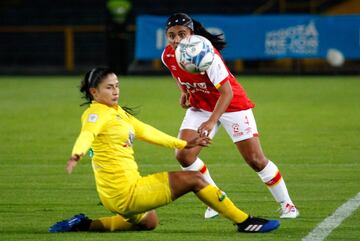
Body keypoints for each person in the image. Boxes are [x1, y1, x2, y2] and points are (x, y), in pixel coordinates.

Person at [48, 67, 280, 233]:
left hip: (116, 195)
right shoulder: (96, 113)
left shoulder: (117, 113)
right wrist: (77, 154)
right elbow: (87, 134)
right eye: (109, 87)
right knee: (195, 179)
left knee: (149, 222)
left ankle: (83, 224)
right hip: (127, 193)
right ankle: (245, 222)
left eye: (117, 86)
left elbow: (148, 132)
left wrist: (184, 144)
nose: (116, 91)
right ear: (93, 92)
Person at [161, 13, 299, 219]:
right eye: (171, 35)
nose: (176, 40)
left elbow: (227, 93)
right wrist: (183, 91)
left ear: (191, 33)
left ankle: (288, 205)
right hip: (201, 105)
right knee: (184, 154)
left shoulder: (206, 54)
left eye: (182, 34)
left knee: (255, 160)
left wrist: (211, 121)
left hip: (231, 105)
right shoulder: (168, 55)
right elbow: (176, 73)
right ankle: (216, 198)